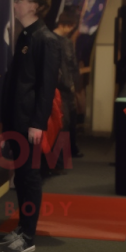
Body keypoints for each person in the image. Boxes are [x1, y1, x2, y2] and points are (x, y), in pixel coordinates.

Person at [0, 0, 61, 252]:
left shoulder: (46, 40)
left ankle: (29, 236)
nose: (16, 4)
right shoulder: (26, 36)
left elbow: (47, 88)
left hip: (29, 122)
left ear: (35, 5)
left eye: (21, 0)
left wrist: (38, 123)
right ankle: (22, 227)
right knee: (21, 178)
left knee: (30, 177)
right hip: (15, 119)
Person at [52, 9, 83, 165]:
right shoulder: (65, 42)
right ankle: (61, 158)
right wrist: (74, 86)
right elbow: (71, 66)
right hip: (64, 88)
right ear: (69, 25)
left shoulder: (46, 39)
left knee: (59, 122)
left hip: (52, 86)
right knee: (66, 121)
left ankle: (61, 158)